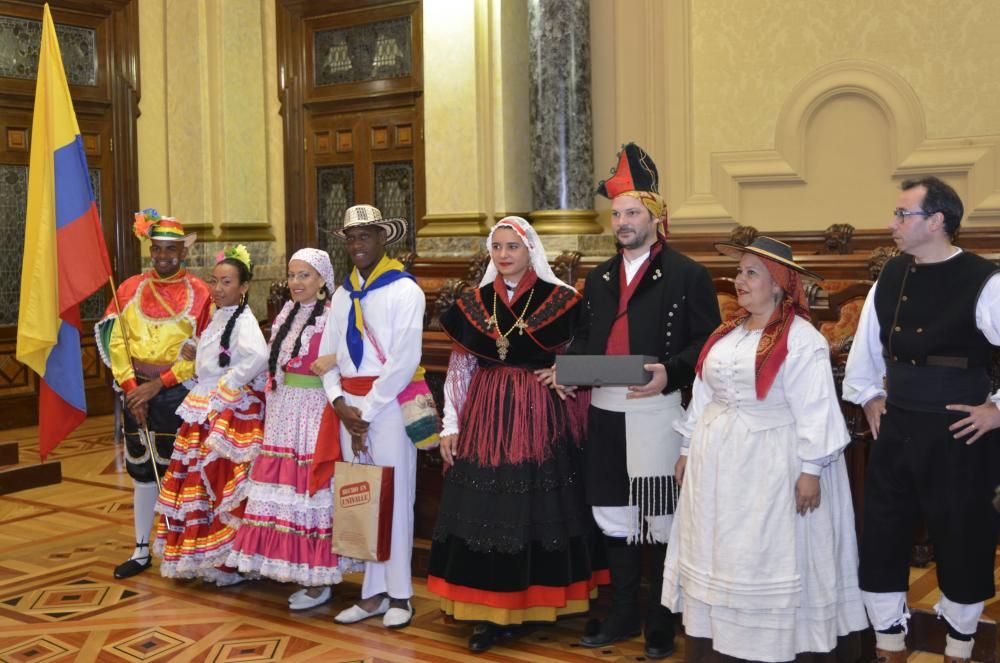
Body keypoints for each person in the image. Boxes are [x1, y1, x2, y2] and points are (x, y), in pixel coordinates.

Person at [662, 236, 868, 662]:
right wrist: (686, 445)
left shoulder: (801, 338)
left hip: (773, 464)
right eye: (739, 272)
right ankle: (721, 645)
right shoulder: (726, 333)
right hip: (717, 463)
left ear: (778, 284)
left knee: (765, 553)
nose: (739, 280)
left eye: (750, 272)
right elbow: (704, 391)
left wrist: (811, 468)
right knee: (722, 550)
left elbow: (815, 407)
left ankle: (775, 647)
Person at [551, 143, 720, 659]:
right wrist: (566, 372)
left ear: (655, 215)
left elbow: (709, 344)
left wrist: (670, 371)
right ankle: (622, 612)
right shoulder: (597, 278)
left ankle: (661, 620)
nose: (622, 222)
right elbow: (584, 341)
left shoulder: (689, 275)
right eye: (617, 213)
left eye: (632, 213)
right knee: (615, 519)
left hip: (656, 413)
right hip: (604, 413)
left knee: (658, 520)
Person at [843, 177, 1000, 663]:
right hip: (897, 428)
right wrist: (869, 395)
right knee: (883, 536)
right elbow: (867, 347)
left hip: (960, 432)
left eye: (902, 214)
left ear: (936, 221)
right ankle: (889, 646)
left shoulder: (985, 278)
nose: (892, 224)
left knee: (963, 539)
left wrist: (997, 409)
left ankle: (959, 647)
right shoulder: (891, 275)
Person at [426, 216, 597, 652]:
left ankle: (530, 603)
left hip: (538, 413)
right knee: (486, 504)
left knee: (531, 503)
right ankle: (485, 611)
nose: (504, 255)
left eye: (512, 247)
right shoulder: (474, 302)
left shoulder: (561, 300)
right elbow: (461, 368)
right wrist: (451, 424)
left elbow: (580, 356)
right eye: (497, 247)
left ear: (530, 251)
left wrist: (564, 370)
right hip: (485, 412)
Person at [317, 204, 425, 630]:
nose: (357, 244)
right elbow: (327, 357)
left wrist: (368, 408)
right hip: (350, 409)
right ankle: (371, 593)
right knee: (359, 497)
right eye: (350, 237)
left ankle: (400, 593)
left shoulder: (404, 290)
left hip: (389, 406)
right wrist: (339, 403)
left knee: (395, 499)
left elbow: (405, 358)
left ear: (384, 239)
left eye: (365, 236)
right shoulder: (342, 295)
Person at [95, 210, 212, 579]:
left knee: (179, 471)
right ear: (150, 249)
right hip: (135, 394)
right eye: (157, 249)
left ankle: (181, 548)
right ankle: (142, 547)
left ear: (183, 252)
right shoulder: (128, 289)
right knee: (142, 472)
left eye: (171, 250)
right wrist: (132, 388)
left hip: (178, 392)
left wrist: (158, 385)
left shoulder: (202, 293)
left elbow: (203, 350)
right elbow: (113, 338)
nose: (164, 257)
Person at [226, 248, 342, 610]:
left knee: (308, 494)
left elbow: (357, 353)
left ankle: (317, 578)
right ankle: (294, 567)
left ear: (322, 279)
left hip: (313, 413)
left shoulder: (333, 315)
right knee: (282, 492)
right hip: (283, 413)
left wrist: (335, 359)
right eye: (292, 275)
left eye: (305, 275)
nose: (296, 282)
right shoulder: (286, 314)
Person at [152, 245, 268, 585]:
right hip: (203, 405)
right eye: (214, 281)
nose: (218, 289)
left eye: (227, 282)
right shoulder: (220, 316)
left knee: (220, 482)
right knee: (197, 484)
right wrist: (196, 348)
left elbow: (257, 356)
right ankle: (209, 556)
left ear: (244, 287)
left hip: (224, 411)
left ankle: (229, 559)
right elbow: (219, 357)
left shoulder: (244, 320)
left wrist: (227, 384)